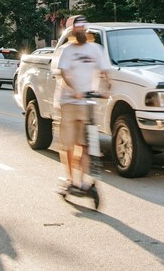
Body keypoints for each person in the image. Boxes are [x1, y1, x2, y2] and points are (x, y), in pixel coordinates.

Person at [55, 15, 112, 195]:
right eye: (78, 27)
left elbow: (104, 70)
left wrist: (107, 86)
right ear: (72, 30)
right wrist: (74, 89)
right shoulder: (68, 51)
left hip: (87, 103)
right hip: (69, 102)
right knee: (69, 144)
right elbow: (64, 74)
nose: (81, 29)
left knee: (85, 144)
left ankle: (85, 182)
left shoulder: (95, 49)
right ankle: (71, 180)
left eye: (84, 26)